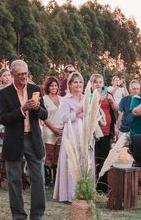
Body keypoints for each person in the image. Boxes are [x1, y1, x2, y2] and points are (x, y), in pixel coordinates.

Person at [0, 60, 48, 220]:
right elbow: (4, 118)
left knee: (38, 178)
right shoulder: (4, 94)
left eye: (26, 74)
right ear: (12, 74)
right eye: (20, 75)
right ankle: (18, 215)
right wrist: (22, 110)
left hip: (33, 139)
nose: (24, 77)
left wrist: (36, 108)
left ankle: (37, 216)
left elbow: (44, 114)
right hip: (14, 140)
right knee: (14, 179)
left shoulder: (35, 89)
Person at [53, 72, 92, 203]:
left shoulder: (87, 97)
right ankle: (70, 194)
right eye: (75, 82)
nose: (78, 84)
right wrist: (77, 111)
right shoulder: (65, 100)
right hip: (72, 132)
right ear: (69, 85)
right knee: (72, 161)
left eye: (80, 82)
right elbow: (64, 118)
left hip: (85, 131)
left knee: (85, 160)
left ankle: (85, 192)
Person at [89, 74, 118, 193]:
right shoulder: (90, 96)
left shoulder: (109, 95)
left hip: (106, 132)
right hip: (95, 132)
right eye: (95, 82)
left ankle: (103, 185)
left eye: (100, 82)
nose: (98, 84)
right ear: (91, 84)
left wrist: (111, 102)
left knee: (104, 158)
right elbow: (88, 111)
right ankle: (93, 184)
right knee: (94, 158)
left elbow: (117, 109)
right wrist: (98, 101)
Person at [41, 76, 63, 187]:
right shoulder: (44, 99)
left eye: (55, 85)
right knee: (49, 155)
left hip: (61, 130)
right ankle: (47, 180)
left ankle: (56, 180)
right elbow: (43, 117)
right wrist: (53, 129)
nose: (54, 87)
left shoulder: (62, 99)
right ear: (47, 87)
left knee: (58, 156)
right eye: (51, 85)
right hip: (49, 129)